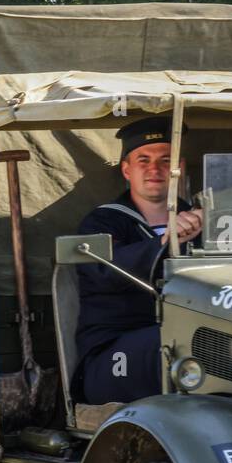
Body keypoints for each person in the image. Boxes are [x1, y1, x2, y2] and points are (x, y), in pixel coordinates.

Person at [73, 116, 202, 404]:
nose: (155, 169)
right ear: (127, 170)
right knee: (182, 343)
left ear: (179, 168)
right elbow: (105, 270)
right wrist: (165, 243)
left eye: (166, 160)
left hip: (187, 340)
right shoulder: (102, 222)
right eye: (143, 160)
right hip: (111, 356)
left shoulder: (201, 220)